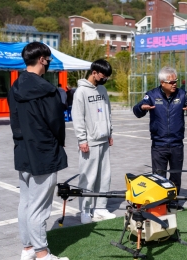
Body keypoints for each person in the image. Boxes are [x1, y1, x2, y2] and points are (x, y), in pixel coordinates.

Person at [8, 42, 69, 260]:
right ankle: (42, 253)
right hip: (43, 151)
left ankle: (27, 249)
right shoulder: (47, 89)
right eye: (49, 58)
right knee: (39, 206)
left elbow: (13, 120)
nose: (50, 62)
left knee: (25, 202)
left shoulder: (15, 87)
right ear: (42, 59)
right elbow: (56, 122)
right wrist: (60, 143)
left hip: (22, 149)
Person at [133, 66, 187, 211]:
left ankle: (173, 202)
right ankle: (160, 203)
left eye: (175, 81)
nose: (174, 84)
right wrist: (141, 108)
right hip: (159, 144)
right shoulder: (151, 95)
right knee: (159, 176)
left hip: (177, 144)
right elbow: (137, 110)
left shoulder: (182, 95)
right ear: (162, 82)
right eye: (171, 82)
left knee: (176, 175)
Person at [72, 59, 116, 224]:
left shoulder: (103, 89)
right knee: (88, 178)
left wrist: (110, 132)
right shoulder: (81, 92)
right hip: (89, 142)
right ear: (94, 72)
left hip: (103, 140)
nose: (104, 79)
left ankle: (100, 208)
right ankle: (85, 210)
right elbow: (78, 118)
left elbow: (108, 112)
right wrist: (82, 139)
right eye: (103, 76)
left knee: (105, 176)